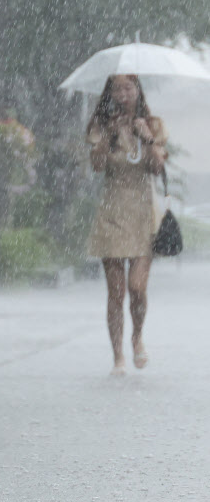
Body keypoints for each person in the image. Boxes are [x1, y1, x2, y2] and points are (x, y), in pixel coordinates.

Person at [86, 74, 167, 376]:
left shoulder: (154, 124)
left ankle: (137, 336)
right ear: (110, 93)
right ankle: (118, 355)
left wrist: (147, 137)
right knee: (116, 292)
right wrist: (110, 135)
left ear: (137, 91)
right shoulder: (100, 125)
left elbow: (158, 168)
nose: (122, 94)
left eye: (128, 88)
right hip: (111, 212)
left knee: (137, 288)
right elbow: (97, 165)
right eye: (117, 88)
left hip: (143, 214)